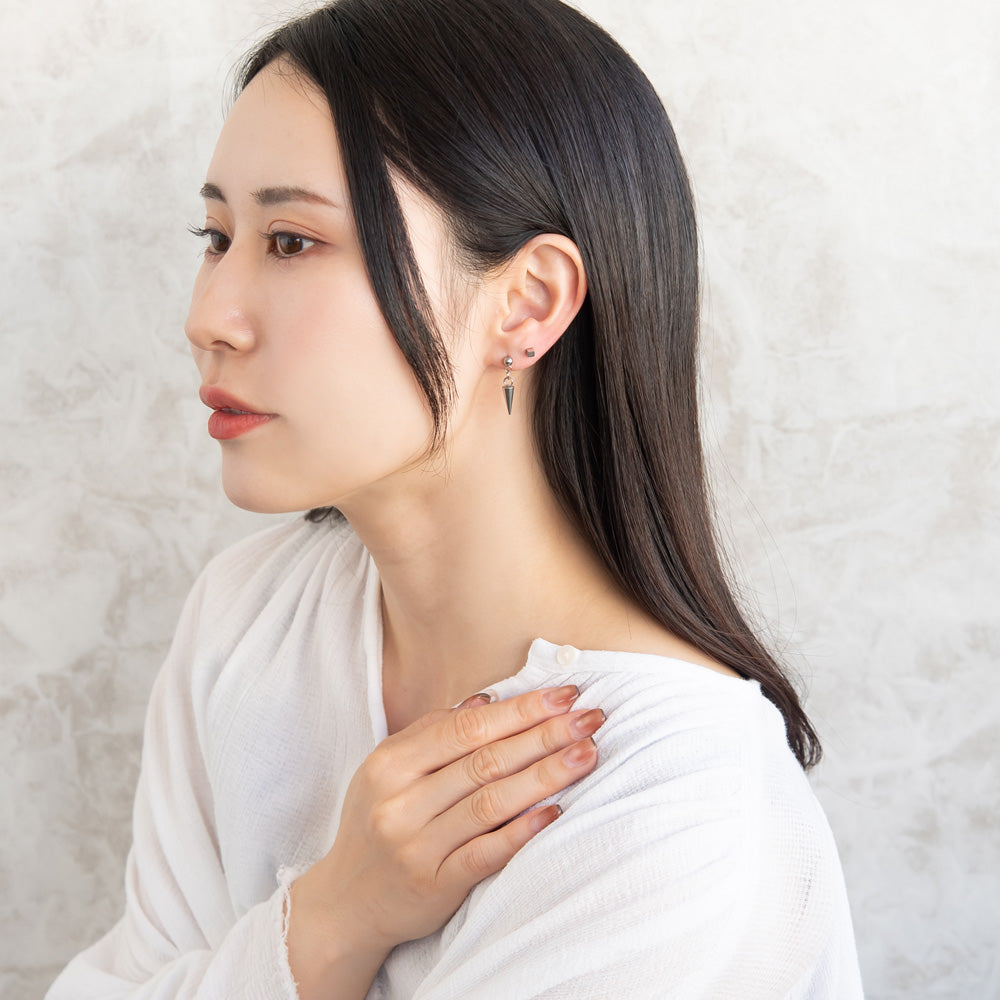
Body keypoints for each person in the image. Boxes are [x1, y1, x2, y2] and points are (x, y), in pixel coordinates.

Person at [47, 0, 864, 996]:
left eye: (292, 240)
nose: (207, 316)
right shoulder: (251, 618)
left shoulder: (680, 802)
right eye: (217, 236)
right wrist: (333, 918)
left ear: (526, 303)